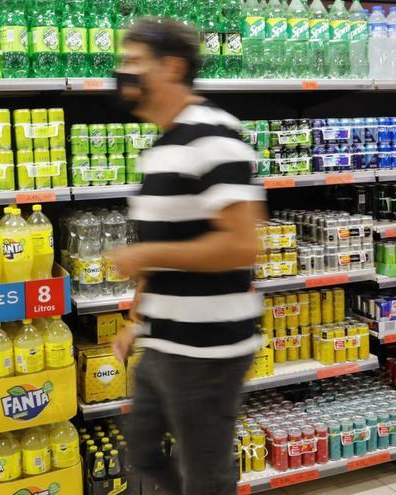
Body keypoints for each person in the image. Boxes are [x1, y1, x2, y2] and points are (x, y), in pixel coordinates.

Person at [106, 17, 268, 495]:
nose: (123, 73)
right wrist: (139, 319)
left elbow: (241, 244)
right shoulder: (160, 148)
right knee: (140, 449)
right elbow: (170, 244)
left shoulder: (214, 135)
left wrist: (146, 254)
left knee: (206, 474)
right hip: (165, 338)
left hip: (210, 347)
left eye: (133, 61)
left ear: (171, 67)